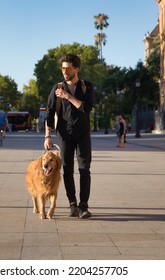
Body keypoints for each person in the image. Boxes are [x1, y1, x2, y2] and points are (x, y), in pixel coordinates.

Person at [44, 54, 95, 219]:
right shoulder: (56, 87)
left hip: (83, 134)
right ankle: (72, 204)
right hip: (64, 134)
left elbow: (86, 108)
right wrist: (47, 136)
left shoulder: (87, 86)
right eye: (62, 68)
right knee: (67, 169)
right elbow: (49, 113)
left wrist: (68, 96)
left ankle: (84, 206)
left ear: (76, 69)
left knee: (84, 169)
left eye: (68, 68)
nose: (64, 71)